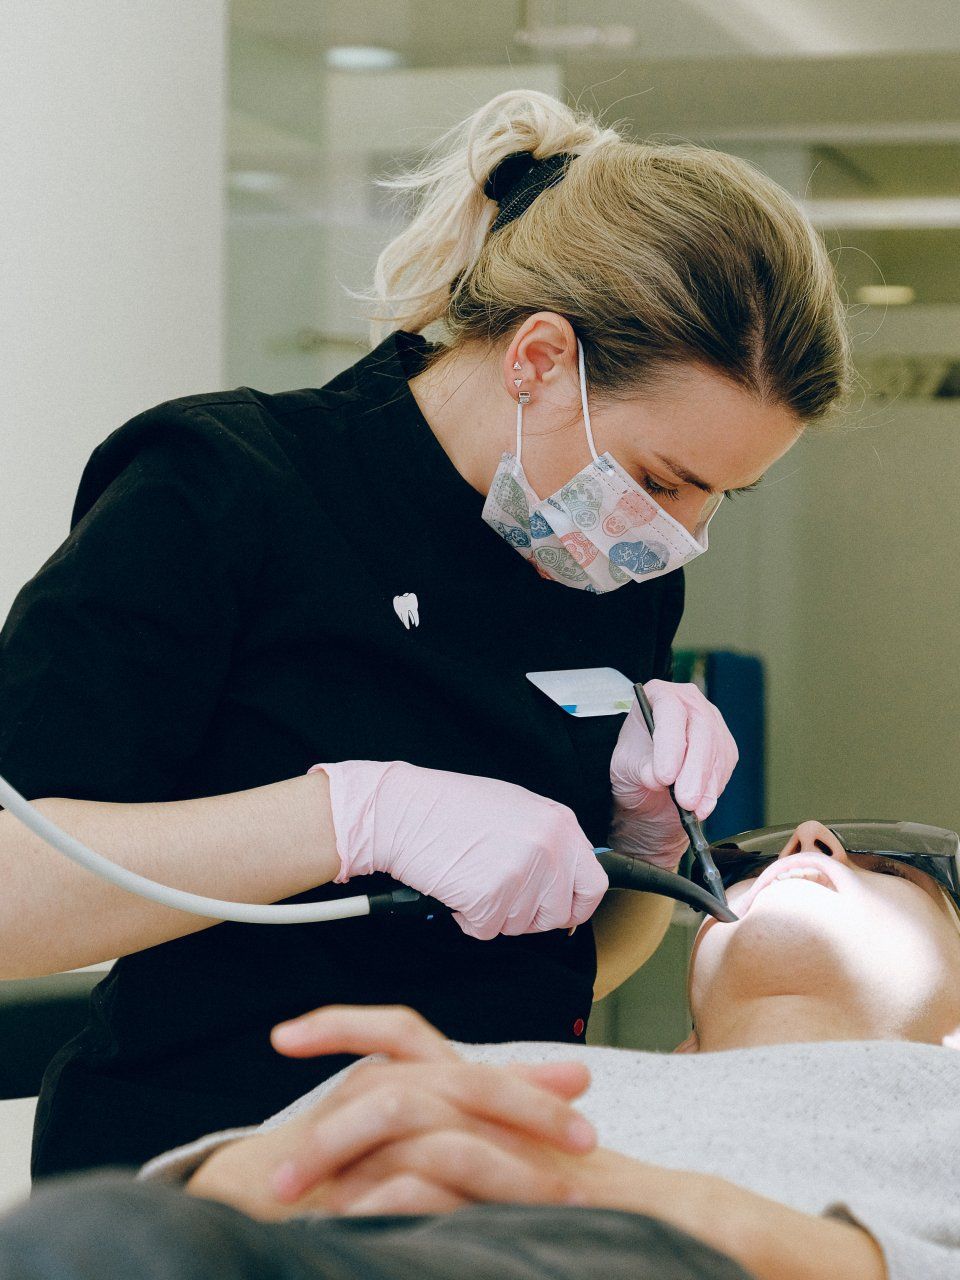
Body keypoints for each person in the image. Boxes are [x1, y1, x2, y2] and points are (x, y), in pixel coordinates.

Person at [0, 88, 852, 1179]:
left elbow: (567, 967)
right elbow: (18, 887)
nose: (678, 537)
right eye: (662, 480)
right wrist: (353, 815)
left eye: (718, 499)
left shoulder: (605, 560)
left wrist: (640, 848)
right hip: (207, 1176)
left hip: (484, 1178)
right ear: (540, 359)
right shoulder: (222, 490)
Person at [1, 817, 957, 1280]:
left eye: (886, 866)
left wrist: (631, 1199)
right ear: (682, 1039)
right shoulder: (465, 1070)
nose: (809, 838)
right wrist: (259, 1181)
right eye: (750, 868)